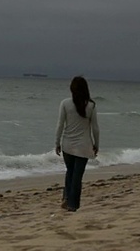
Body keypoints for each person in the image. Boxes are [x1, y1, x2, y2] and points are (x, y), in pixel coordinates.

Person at [55, 76, 100, 212]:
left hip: (67, 145)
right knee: (77, 176)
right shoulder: (91, 105)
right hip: (84, 146)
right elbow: (95, 128)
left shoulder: (65, 103)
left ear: (72, 89)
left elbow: (60, 125)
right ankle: (73, 204)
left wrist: (57, 142)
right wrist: (96, 144)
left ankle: (67, 198)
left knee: (70, 172)